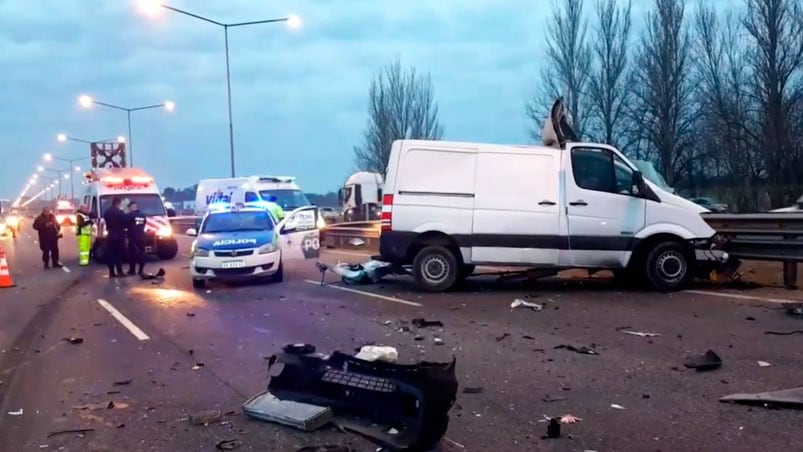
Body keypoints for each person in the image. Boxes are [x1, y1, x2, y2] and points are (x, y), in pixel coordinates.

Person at [102, 197, 126, 278]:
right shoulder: (120, 212)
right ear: (118, 203)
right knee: (119, 254)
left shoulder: (107, 212)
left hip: (110, 235)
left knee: (111, 254)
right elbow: (124, 222)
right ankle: (120, 271)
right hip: (119, 235)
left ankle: (111, 272)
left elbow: (106, 221)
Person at [125, 201, 147, 276]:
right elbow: (144, 224)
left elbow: (125, 225)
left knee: (132, 254)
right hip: (142, 237)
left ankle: (132, 270)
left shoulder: (130, 215)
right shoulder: (143, 215)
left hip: (133, 237)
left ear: (131, 207)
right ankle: (141, 270)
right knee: (142, 253)